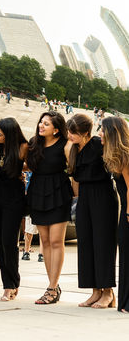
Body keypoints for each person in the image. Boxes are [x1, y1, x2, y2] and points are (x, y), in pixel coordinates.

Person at [67, 114, 117, 309]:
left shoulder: (99, 144)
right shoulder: (74, 149)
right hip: (84, 198)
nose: (70, 136)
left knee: (103, 244)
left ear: (85, 132)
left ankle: (108, 292)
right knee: (86, 243)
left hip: (103, 196)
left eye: (74, 132)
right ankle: (94, 291)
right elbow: (75, 179)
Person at [26, 111, 73, 304]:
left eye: (46, 124)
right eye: (41, 122)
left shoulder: (65, 144)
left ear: (56, 129)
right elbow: (26, 165)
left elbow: (73, 168)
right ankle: (52, 285)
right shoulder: (34, 143)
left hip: (58, 191)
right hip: (37, 191)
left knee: (56, 241)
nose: (41, 126)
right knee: (44, 242)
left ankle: (52, 288)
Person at [0, 118, 27, 301]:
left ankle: (13, 282)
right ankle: (7, 284)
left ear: (10, 135)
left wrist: (23, 173)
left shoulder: (22, 147)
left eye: (0, 134)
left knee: (8, 242)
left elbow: (31, 165)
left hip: (13, 199)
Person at [101, 117, 129, 313]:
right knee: (125, 256)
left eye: (102, 130)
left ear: (112, 133)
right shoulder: (116, 155)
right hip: (126, 211)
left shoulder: (126, 155)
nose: (99, 134)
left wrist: (128, 212)